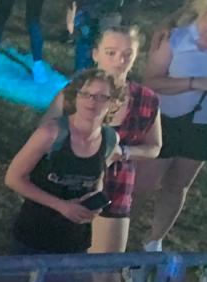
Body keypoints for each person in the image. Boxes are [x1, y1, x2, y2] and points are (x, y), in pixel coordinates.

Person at [45, 27, 161, 260]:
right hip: (69, 185)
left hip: (115, 187)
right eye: (111, 53)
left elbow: (154, 147)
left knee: (105, 268)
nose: (119, 61)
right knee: (57, 262)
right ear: (95, 53)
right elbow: (45, 133)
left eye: (127, 54)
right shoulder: (73, 93)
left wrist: (124, 151)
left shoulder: (146, 99)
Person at [134, 0, 207, 251]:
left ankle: (155, 241)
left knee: (178, 185)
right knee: (144, 184)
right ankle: (119, 230)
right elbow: (150, 82)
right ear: (203, 7)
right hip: (166, 120)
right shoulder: (175, 39)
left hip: (206, 124)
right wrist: (193, 83)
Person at [6, 70, 123, 255]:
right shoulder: (51, 133)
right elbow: (13, 178)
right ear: (75, 97)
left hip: (75, 242)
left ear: (113, 103)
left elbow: (97, 178)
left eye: (101, 97)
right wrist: (62, 206)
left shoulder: (109, 139)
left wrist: (94, 202)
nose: (92, 102)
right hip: (34, 237)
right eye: (86, 94)